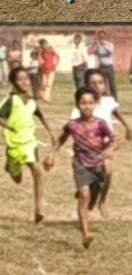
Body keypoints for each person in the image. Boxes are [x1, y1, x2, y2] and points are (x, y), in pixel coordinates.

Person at [44, 87, 113, 248]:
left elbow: (113, 140)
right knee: (84, 195)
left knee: (91, 200)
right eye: (83, 103)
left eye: (90, 103)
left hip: (97, 166)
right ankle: (86, 234)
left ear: (95, 104)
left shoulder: (100, 124)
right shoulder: (72, 125)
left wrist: (108, 150)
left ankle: (92, 200)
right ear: (77, 105)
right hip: (80, 164)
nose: (87, 106)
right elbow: (62, 138)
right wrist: (52, 154)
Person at [70, 68, 131, 217]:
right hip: (88, 147)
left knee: (108, 171)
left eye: (100, 82)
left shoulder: (109, 101)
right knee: (93, 176)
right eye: (93, 83)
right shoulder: (84, 104)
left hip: (106, 144)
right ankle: (86, 190)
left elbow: (116, 113)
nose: (97, 86)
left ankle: (102, 201)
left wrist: (127, 126)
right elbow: (73, 125)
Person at [1, 67, 53, 224]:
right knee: (17, 179)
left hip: (30, 142)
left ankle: (39, 210)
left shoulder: (31, 101)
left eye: (26, 79)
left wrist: (52, 134)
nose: (24, 82)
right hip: (14, 144)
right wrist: (8, 127)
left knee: (37, 172)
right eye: (20, 79)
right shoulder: (11, 100)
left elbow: (41, 116)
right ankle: (11, 166)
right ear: (13, 83)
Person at [89, 29, 117, 99]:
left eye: (103, 37)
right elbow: (89, 52)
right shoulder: (98, 46)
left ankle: (115, 104)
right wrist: (94, 44)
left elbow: (110, 52)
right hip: (101, 68)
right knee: (103, 87)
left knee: (112, 86)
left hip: (109, 67)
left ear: (105, 37)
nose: (102, 38)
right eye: (100, 37)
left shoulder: (110, 44)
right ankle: (104, 102)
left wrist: (103, 44)